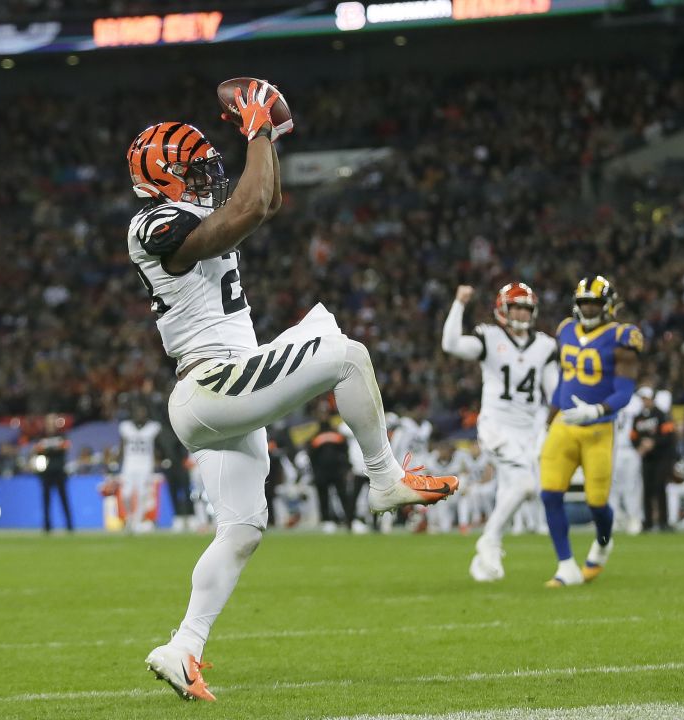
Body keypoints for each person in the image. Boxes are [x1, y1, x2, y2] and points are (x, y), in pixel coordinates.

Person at [129, 82, 458, 702]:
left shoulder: (186, 213)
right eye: (193, 171)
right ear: (161, 179)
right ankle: (384, 477)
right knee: (345, 354)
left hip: (223, 389)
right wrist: (254, 127)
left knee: (244, 529)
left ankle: (183, 648)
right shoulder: (151, 226)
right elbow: (251, 209)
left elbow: (266, 198)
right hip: (211, 384)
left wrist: (269, 135)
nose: (206, 179)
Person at [441, 282, 557, 581]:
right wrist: (459, 303)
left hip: (529, 430)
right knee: (526, 486)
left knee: (515, 491)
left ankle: (484, 565)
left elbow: (554, 392)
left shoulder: (544, 345)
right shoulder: (490, 337)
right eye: (516, 306)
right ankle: (489, 539)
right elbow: (451, 344)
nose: (520, 312)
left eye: (526, 308)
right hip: (496, 424)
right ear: (503, 309)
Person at [540, 275, 641, 586]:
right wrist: (551, 415)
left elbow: (625, 391)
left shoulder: (623, 336)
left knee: (597, 503)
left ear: (607, 305)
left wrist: (597, 410)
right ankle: (566, 565)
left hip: (598, 429)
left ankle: (603, 540)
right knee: (549, 493)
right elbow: (564, 378)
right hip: (565, 425)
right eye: (584, 303)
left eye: (595, 303)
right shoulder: (565, 330)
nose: (589, 308)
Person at [631, 386, 675, 531]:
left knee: (660, 487)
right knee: (647, 489)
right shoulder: (638, 417)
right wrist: (639, 446)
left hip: (661, 457)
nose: (644, 401)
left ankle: (663, 521)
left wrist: (653, 443)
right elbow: (633, 437)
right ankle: (648, 521)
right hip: (647, 458)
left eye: (646, 398)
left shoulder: (661, 415)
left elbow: (669, 436)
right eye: (643, 399)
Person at [307, 400, 354, 533]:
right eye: (321, 413)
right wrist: (314, 472)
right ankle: (327, 521)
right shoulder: (314, 434)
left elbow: (345, 452)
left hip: (338, 471)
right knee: (323, 497)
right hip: (321, 472)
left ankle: (349, 520)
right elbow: (312, 456)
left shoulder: (338, 432)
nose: (323, 416)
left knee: (343, 495)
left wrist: (346, 467)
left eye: (325, 413)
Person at [119, 403, 162, 532]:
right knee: (126, 493)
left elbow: (157, 447)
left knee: (142, 493)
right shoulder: (125, 427)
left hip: (145, 464)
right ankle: (129, 518)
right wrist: (116, 462)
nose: (140, 415)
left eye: (143, 412)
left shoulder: (153, 427)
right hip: (129, 464)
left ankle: (137, 522)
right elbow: (122, 445)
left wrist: (159, 460)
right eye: (138, 412)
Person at [612, 392, 646, 535]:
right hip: (613, 448)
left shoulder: (636, 400)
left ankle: (634, 518)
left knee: (632, 486)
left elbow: (644, 419)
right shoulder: (609, 396)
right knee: (611, 486)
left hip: (631, 448)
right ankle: (613, 518)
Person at [34, 413, 73, 533]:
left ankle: (69, 525)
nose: (51, 423)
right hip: (46, 473)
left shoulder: (61, 435)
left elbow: (65, 447)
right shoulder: (42, 436)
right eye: (49, 421)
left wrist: (48, 450)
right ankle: (47, 525)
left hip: (59, 471)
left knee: (64, 499)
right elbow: (38, 450)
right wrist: (54, 449)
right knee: (46, 500)